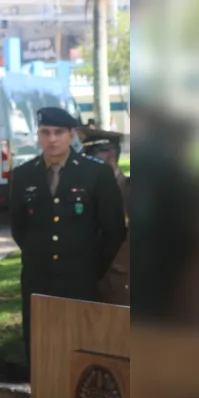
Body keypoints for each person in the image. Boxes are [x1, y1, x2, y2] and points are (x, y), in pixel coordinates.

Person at [9, 107, 126, 368]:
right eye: (45, 132)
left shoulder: (95, 173)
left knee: (80, 355)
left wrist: (91, 267)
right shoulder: (24, 173)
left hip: (80, 282)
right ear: (38, 135)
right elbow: (18, 227)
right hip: (37, 282)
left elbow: (114, 230)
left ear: (72, 134)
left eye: (59, 132)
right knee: (40, 354)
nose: (52, 139)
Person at [77, 127, 130, 306]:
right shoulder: (89, 188)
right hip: (92, 277)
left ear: (110, 156)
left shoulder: (129, 191)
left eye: (92, 156)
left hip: (118, 280)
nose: (85, 163)